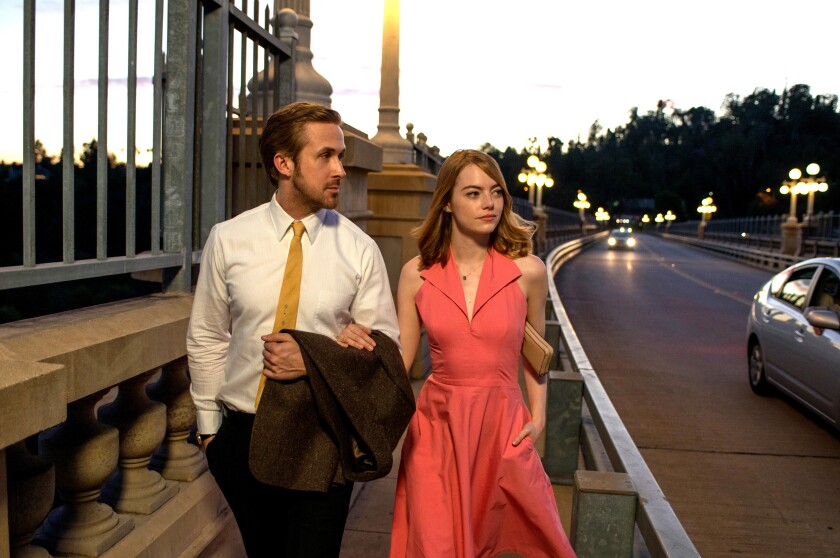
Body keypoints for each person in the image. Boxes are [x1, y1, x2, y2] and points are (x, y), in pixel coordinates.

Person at [186, 101, 400, 557]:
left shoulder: (360, 250)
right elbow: (207, 336)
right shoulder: (228, 238)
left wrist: (314, 358)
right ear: (284, 164)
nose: (340, 169)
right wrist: (210, 433)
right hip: (242, 435)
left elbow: (387, 354)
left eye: (340, 155)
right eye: (326, 156)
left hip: (322, 436)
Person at [387, 149, 577, 557]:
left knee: (531, 540)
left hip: (502, 427)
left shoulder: (528, 272)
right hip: (437, 431)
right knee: (436, 545)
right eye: (473, 193)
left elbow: (536, 353)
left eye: (496, 192)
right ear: (447, 204)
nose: (489, 203)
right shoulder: (415, 275)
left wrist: (538, 417)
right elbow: (401, 363)